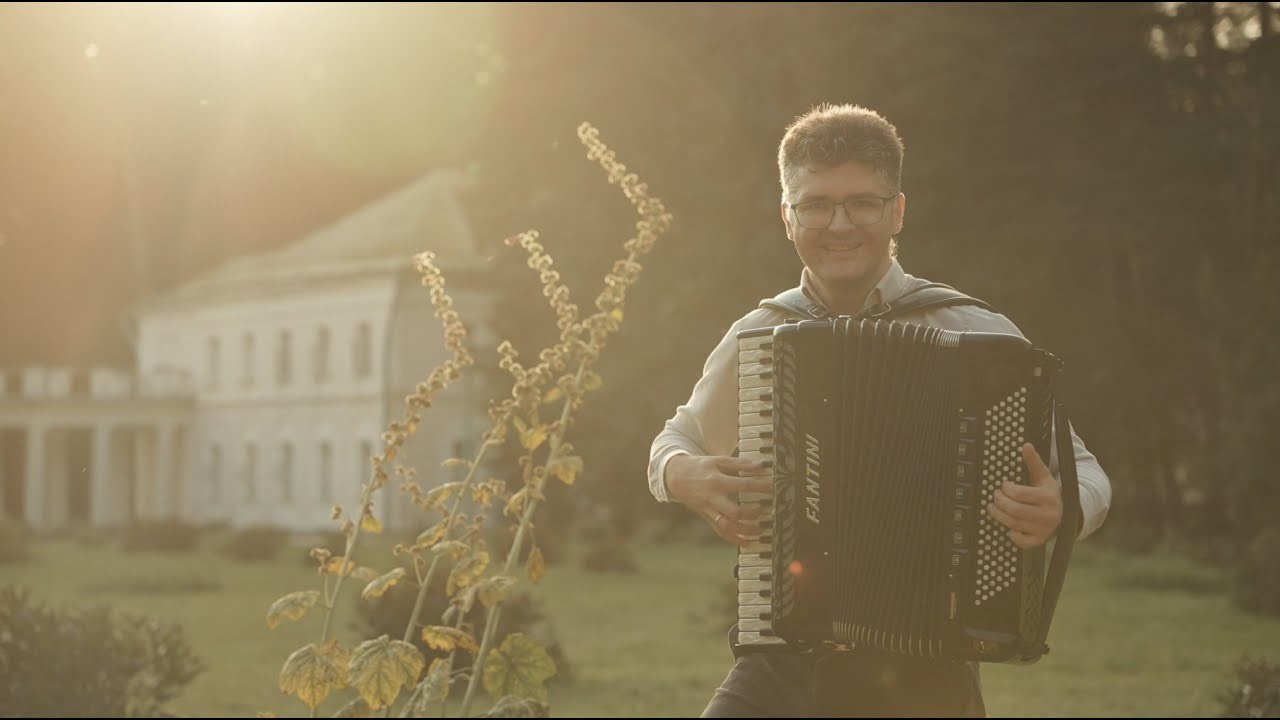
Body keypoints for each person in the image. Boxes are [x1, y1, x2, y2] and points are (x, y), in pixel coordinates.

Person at [647, 103, 1112, 718]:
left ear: (897, 211)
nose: (839, 224)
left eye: (862, 202)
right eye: (814, 204)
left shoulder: (979, 336)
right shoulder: (761, 335)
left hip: (928, 669)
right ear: (787, 217)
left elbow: (1086, 474)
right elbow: (674, 440)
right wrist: (685, 475)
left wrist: (1060, 509)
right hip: (783, 657)